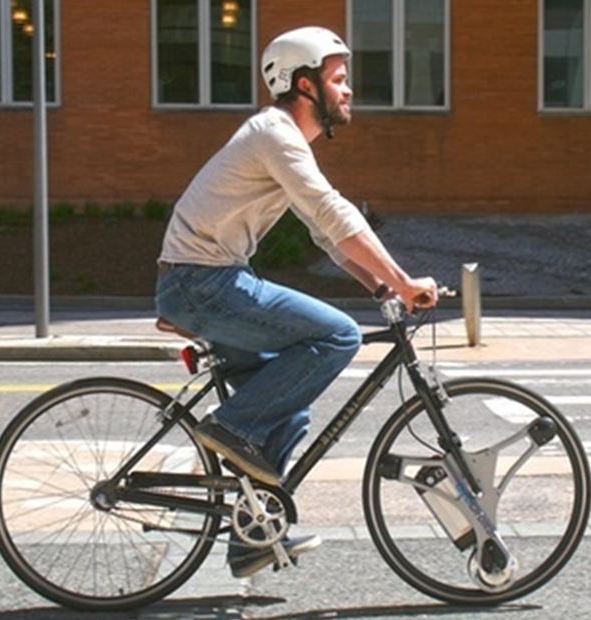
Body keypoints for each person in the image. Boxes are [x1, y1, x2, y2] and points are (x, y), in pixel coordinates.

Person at [153, 26, 439, 577]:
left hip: (207, 279)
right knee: (337, 336)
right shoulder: (274, 133)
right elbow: (335, 213)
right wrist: (404, 281)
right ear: (304, 84)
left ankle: (250, 534)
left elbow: (325, 236)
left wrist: (381, 288)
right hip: (202, 280)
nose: (349, 89)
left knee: (289, 410)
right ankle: (228, 426)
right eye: (338, 78)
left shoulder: (282, 143)